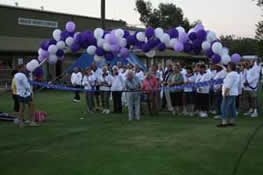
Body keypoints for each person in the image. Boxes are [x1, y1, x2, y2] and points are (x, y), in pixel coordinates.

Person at [217, 62, 239, 127]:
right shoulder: (236, 74)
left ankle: (224, 122)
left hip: (228, 93)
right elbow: (225, 70)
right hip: (233, 93)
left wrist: (225, 93)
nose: (227, 68)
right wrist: (221, 65)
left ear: (230, 67)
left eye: (228, 66)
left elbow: (228, 85)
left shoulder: (231, 75)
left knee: (224, 107)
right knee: (232, 108)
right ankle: (232, 121)